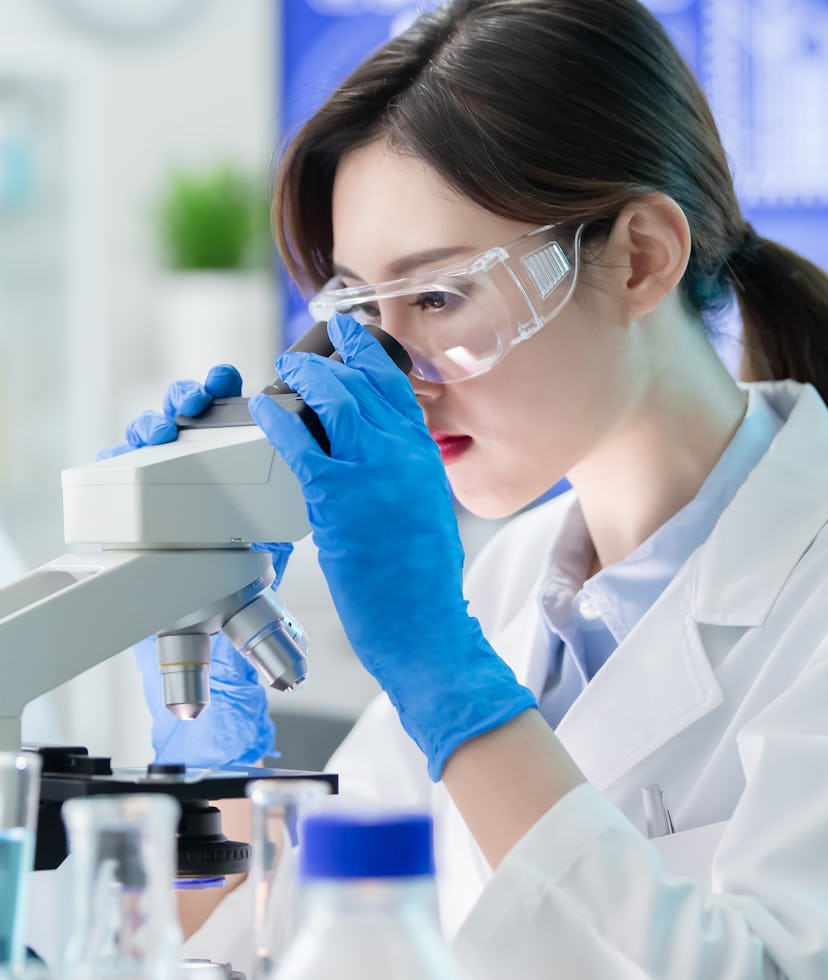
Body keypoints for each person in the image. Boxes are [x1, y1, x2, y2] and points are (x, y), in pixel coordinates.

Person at [114, 1, 828, 976]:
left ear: (643, 258)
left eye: (441, 295)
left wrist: (442, 669)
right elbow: (289, 947)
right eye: (365, 313)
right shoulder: (508, 587)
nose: (401, 375)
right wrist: (209, 759)